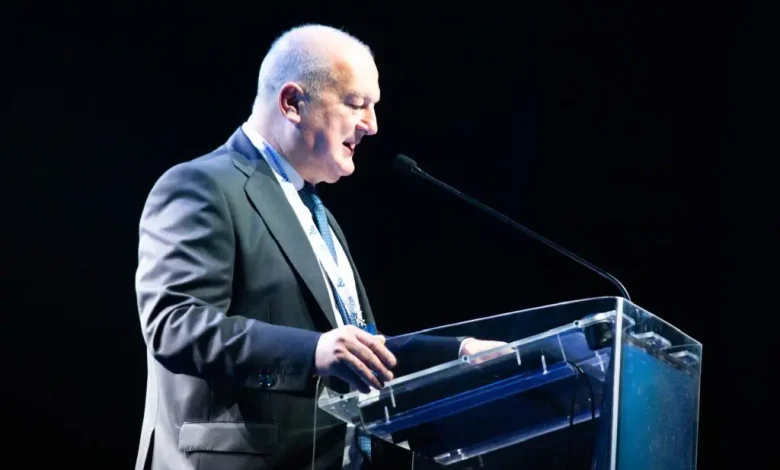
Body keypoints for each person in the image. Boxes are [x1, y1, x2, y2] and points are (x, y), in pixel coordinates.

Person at [134, 24, 502, 470]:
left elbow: (352, 347)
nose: (372, 126)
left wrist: (458, 352)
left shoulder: (315, 212)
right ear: (292, 102)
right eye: (356, 104)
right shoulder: (201, 185)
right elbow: (174, 324)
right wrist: (312, 352)